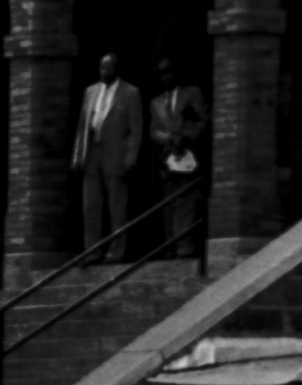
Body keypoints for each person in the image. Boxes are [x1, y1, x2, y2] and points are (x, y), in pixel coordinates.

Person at [72, 58, 143, 259]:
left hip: (115, 153)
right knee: (90, 204)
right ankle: (92, 250)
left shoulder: (130, 92)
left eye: (108, 67)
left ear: (116, 69)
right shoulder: (90, 91)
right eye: (101, 67)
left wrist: (131, 157)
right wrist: (77, 155)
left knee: (116, 203)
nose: (104, 71)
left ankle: (117, 250)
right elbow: (81, 126)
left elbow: (135, 129)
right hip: (92, 150)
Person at [152, 80, 209, 266]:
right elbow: (154, 130)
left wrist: (186, 137)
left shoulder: (192, 92)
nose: (164, 77)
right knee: (169, 203)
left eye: (167, 71)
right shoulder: (156, 102)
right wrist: (169, 139)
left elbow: (203, 119)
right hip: (167, 157)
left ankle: (185, 247)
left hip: (188, 154)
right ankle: (171, 246)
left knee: (187, 201)